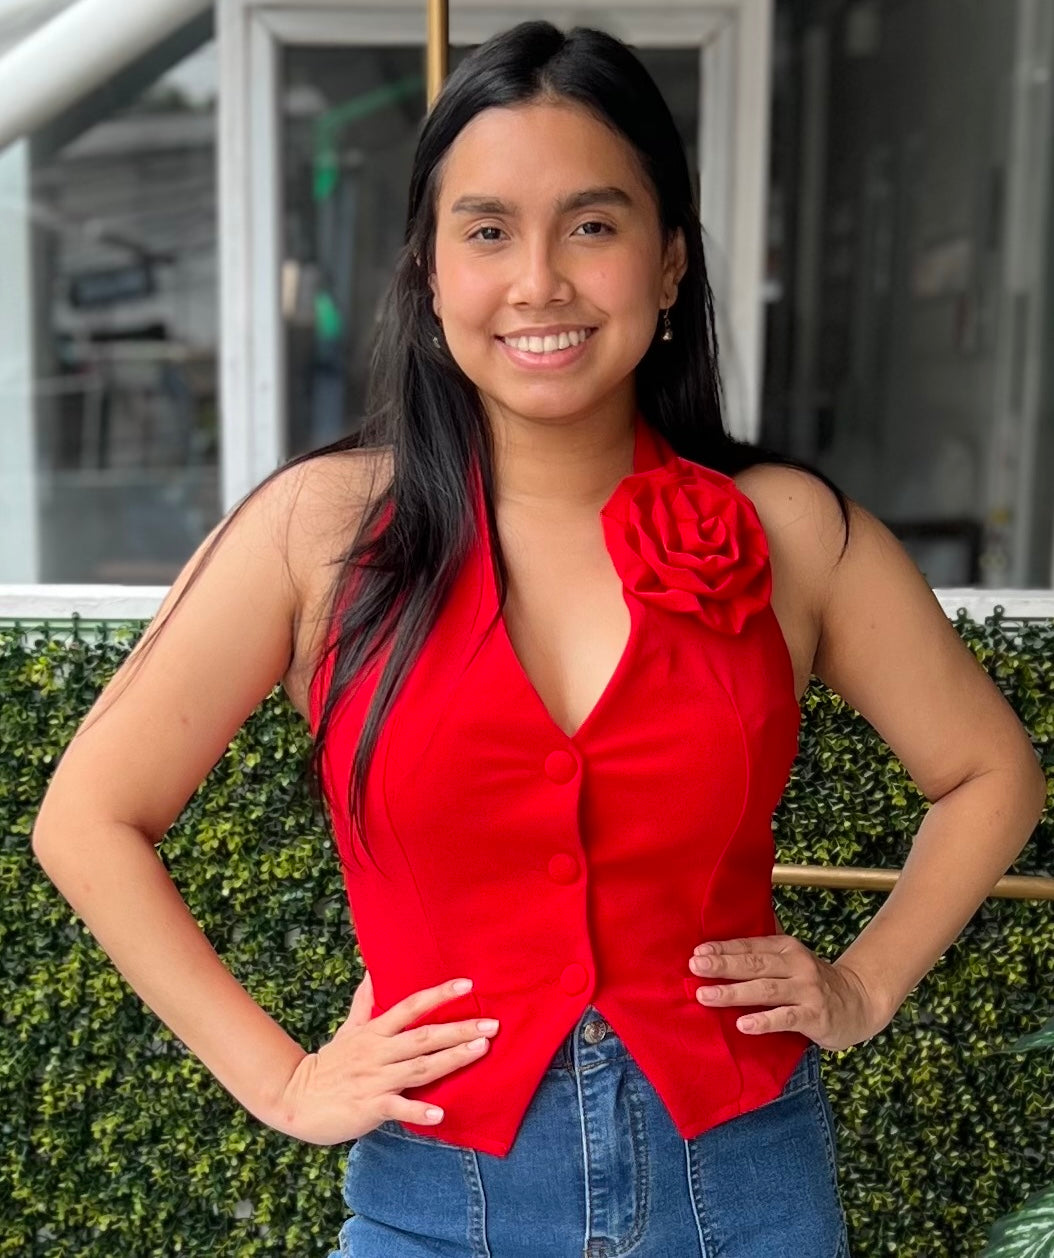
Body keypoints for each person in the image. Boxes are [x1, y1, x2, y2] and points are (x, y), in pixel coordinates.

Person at [32, 20, 1045, 1258]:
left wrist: (863, 981)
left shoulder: (790, 531)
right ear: (428, 268)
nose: (540, 283)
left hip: (746, 1194)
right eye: (488, 230)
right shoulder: (318, 531)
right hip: (438, 1206)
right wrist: (285, 1081)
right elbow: (85, 816)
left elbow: (989, 771)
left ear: (670, 262)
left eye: (594, 225)